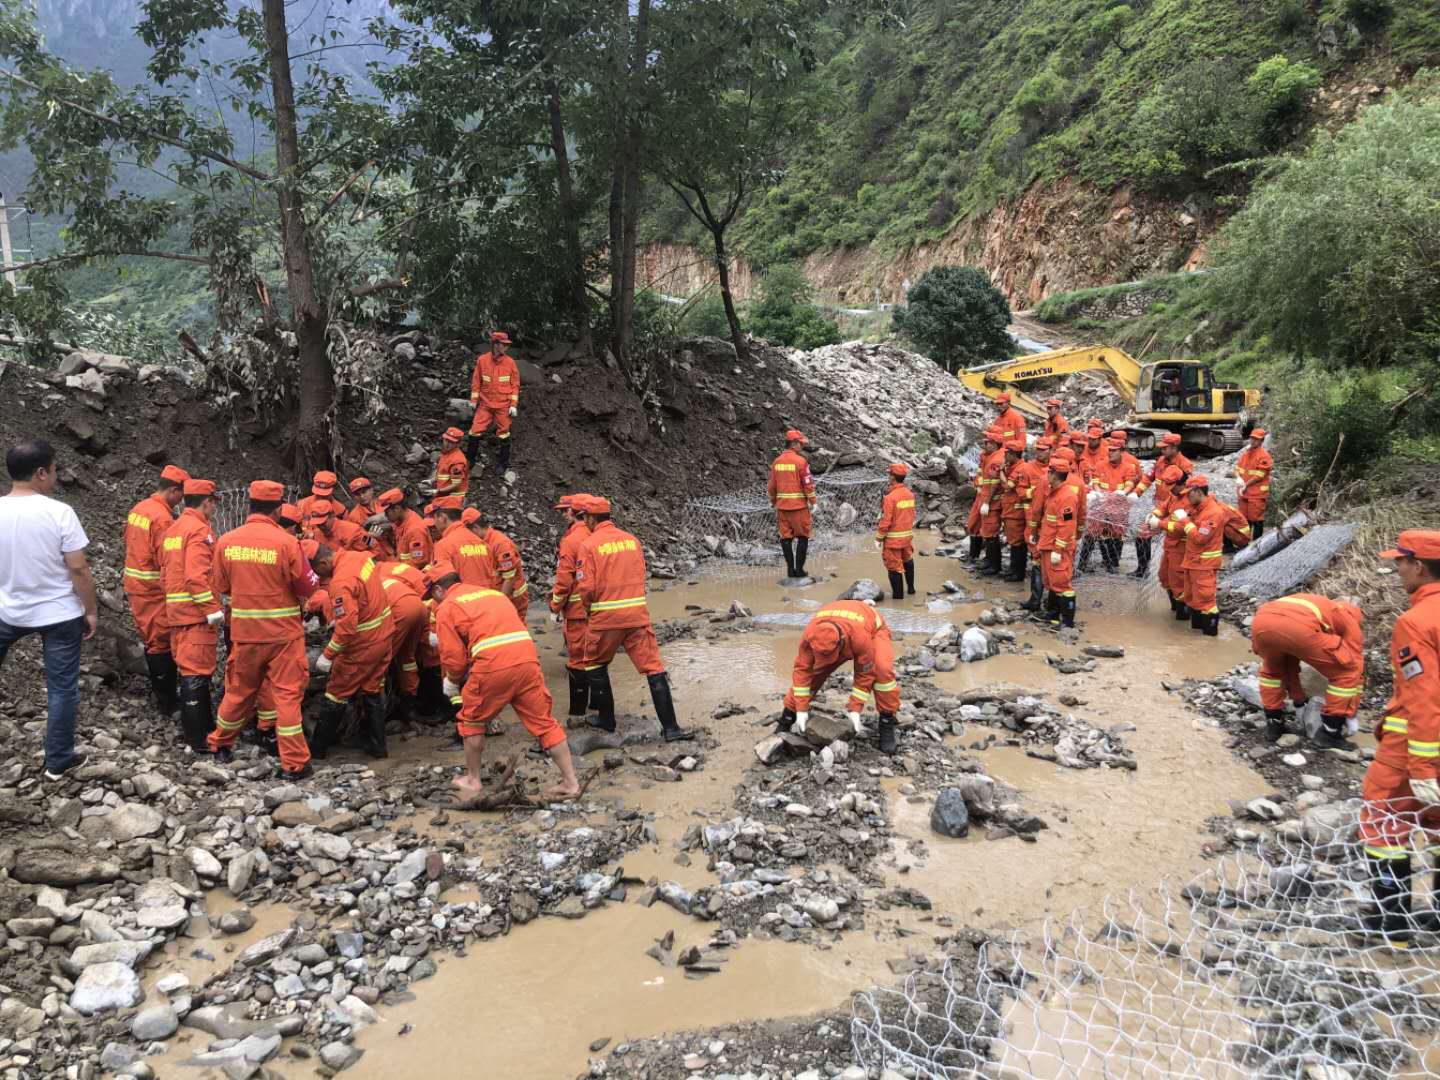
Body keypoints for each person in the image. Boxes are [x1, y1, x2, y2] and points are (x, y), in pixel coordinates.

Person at [431, 560, 581, 801]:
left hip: (492, 666)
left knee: (471, 720)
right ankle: (571, 782)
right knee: (544, 723)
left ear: (439, 589)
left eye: (432, 595)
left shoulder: (447, 607)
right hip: (526, 659)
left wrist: (452, 680)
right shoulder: (492, 594)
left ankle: (472, 779)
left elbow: (454, 659)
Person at [1355, 531, 1440, 947]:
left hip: (1414, 748)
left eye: (1400, 561)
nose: (1396, 568)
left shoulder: (1416, 622)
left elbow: (1424, 695)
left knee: (1384, 824)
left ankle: (1395, 930)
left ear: (1419, 566)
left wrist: (1422, 767)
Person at [207, 480, 320, 778]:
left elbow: (220, 586)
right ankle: (294, 764)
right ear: (279, 508)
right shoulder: (286, 542)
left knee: (239, 692)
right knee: (287, 697)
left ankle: (220, 744)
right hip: (283, 636)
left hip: (244, 634)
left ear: (250, 505)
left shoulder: (226, 541)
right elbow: (308, 585)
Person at [0, 441, 97, 779]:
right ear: (41, 472)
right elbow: (79, 570)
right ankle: (57, 762)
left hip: (7, 611)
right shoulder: (59, 512)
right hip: (59, 615)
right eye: (54, 469)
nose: (56, 475)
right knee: (61, 689)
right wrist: (91, 610)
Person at [574, 496, 683, 741]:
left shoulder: (589, 545)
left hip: (605, 619)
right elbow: (642, 574)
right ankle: (672, 729)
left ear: (591, 518)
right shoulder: (632, 541)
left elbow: (586, 588)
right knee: (654, 669)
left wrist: (589, 610)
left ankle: (607, 719)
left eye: (585, 518)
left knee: (594, 664)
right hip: (636, 615)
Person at [779, 600, 900, 755]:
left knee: (882, 670)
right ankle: (787, 717)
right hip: (842, 625)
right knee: (814, 674)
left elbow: (864, 673)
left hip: (872, 629)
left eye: (829, 656)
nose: (826, 659)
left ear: (840, 643)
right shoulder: (810, 635)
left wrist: (855, 709)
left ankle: (886, 721)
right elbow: (802, 672)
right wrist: (800, 709)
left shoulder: (860, 637)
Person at [310, 546, 395, 759]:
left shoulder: (340, 583)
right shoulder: (358, 557)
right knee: (372, 688)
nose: (319, 577)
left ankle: (317, 750)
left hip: (363, 645)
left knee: (336, 692)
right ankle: (377, 745)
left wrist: (328, 655)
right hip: (384, 634)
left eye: (316, 572)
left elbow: (347, 628)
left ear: (323, 564)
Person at [1251, 593, 1364, 747]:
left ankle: (1274, 725)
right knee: (1347, 672)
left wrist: (1299, 702)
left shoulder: (1314, 603)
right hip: (1297, 626)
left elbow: (1290, 663)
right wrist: (1351, 714)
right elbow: (1355, 666)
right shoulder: (1348, 616)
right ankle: (1330, 733)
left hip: (1261, 622)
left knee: (1273, 670)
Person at [161, 478, 223, 750]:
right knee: (196, 674)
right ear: (206, 502)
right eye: (213, 504)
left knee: (189, 671)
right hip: (196, 615)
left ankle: (201, 730)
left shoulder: (174, 529)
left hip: (177, 613)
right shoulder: (199, 532)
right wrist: (212, 610)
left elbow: (165, 575)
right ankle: (199, 740)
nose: (214, 509)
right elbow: (196, 577)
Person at [123, 463, 189, 715]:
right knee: (159, 642)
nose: (182, 500)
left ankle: (166, 696)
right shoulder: (162, 518)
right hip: (153, 590)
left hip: (137, 585)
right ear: (173, 490)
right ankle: (167, 702)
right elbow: (167, 558)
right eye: (181, 494)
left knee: (152, 637)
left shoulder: (139, 509)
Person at [549, 494, 594, 725]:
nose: (561, 515)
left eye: (564, 511)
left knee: (577, 659)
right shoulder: (594, 534)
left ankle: (577, 714)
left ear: (573, 512)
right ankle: (597, 706)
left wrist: (554, 605)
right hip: (596, 608)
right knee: (595, 656)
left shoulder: (572, 540)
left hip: (577, 610)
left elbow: (565, 579)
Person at [378, 559, 429, 727]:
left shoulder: (374, 579)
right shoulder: (388, 567)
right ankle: (410, 708)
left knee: (381, 661)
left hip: (404, 609)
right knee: (407, 657)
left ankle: (377, 709)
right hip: (420, 605)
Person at [1174, 475, 1227, 636]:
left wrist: (1185, 521)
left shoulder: (1213, 513)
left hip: (1204, 564)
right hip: (1193, 562)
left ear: (1197, 491)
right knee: (1193, 599)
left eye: (1189, 493)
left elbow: (1200, 538)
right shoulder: (1198, 508)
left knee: (1206, 600)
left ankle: (1210, 638)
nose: (1187, 496)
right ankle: (1197, 641)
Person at [1036, 448, 1081, 628]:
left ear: (1055, 475)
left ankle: (1068, 623)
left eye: (1050, 472)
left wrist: (1058, 550)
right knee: (1052, 583)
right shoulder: (1054, 492)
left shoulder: (1067, 497)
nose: (1047, 475)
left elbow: (1067, 526)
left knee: (1063, 585)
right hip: (1048, 545)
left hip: (1058, 548)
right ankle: (1053, 616)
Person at [467, 330, 521, 475]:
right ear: (495, 345)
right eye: (504, 344)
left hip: (503, 406)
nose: (506, 347)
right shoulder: (482, 360)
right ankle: (469, 461)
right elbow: (476, 382)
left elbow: (515, 385)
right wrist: (473, 401)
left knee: (504, 434)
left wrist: (513, 406)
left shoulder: (510, 363)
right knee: (474, 431)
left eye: (506, 345)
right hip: (485, 405)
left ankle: (503, 464)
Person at [768, 429, 817, 581]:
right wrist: (813, 502)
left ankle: (790, 570)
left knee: (786, 537)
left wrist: (773, 501)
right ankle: (800, 570)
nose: (802, 446)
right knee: (803, 536)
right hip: (799, 507)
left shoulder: (776, 462)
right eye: (800, 443)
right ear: (794, 443)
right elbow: (807, 484)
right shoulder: (801, 462)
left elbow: (772, 486)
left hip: (782, 507)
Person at [1144, 464, 1191, 616]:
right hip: (1170, 545)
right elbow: (1164, 506)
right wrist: (1154, 514)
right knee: (1164, 577)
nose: (1170, 490)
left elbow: (1181, 527)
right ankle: (1174, 609)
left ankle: (1182, 616)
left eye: (1172, 486)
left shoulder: (1189, 500)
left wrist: (1159, 524)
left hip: (1182, 547)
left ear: (1181, 483)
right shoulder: (1175, 495)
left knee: (1178, 582)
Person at [431, 498, 502, 587]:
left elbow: (444, 583)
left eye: (434, 518)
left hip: (463, 599)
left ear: (442, 517)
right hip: (486, 597)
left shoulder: (443, 546)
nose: (434, 523)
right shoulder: (481, 542)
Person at [1020, 438, 1053, 610]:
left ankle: (1043, 601)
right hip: (1034, 519)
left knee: (1047, 563)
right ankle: (1039, 600)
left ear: (1051, 450)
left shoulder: (1055, 473)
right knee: (1037, 559)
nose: (1039, 452)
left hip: (1048, 524)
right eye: (1038, 449)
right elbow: (1020, 491)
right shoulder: (1027, 468)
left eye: (1043, 449)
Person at [876, 463, 916, 601]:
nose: (888, 476)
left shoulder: (890, 497)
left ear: (892, 477)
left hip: (893, 540)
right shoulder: (910, 494)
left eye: (889, 474)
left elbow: (886, 520)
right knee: (908, 560)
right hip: (907, 538)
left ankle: (898, 600)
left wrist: (879, 538)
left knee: (894, 568)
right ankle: (911, 589)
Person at [975, 426, 1007, 577]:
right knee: (987, 533)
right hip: (988, 500)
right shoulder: (992, 456)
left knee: (992, 533)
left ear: (994, 444)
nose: (984, 444)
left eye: (987, 442)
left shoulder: (997, 459)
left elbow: (995, 482)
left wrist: (987, 502)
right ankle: (989, 561)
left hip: (992, 503)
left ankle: (995, 565)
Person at [378, 488, 432, 568]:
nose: (385, 516)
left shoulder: (415, 529)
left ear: (397, 509)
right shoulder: (401, 521)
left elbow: (418, 562)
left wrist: (393, 568)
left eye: (386, 512)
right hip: (402, 565)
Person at [1235, 429, 1273, 539]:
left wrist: (1245, 485)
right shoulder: (1246, 454)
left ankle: (1257, 544)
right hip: (1244, 493)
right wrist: (1238, 477)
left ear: (1261, 441)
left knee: (1256, 519)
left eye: (1256, 439)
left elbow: (1259, 476)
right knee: (1244, 520)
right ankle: (1244, 543)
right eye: (1252, 438)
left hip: (1257, 494)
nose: (1253, 441)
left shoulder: (1264, 456)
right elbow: (1237, 468)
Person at [305, 502, 371, 553]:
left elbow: (374, 549)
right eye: (318, 524)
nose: (321, 527)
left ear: (332, 515)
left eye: (323, 523)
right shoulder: (315, 535)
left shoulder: (353, 530)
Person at [435, 427, 470, 498]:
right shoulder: (446, 453)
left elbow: (456, 485)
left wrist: (438, 491)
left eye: (451, 442)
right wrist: (431, 480)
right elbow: (443, 472)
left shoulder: (458, 461)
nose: (447, 444)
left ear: (458, 444)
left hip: (453, 498)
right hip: (443, 494)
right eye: (446, 440)